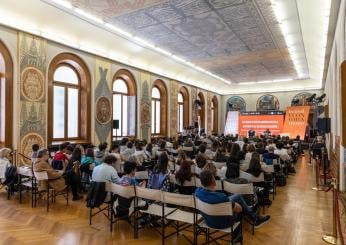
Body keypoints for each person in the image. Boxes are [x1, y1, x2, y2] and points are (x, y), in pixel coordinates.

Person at [195, 170, 270, 229]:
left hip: (208, 221)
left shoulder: (197, 192)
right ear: (213, 181)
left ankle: (255, 218)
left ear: (201, 182)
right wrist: (232, 203)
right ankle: (254, 220)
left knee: (237, 196)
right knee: (239, 204)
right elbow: (239, 209)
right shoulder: (221, 197)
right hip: (224, 223)